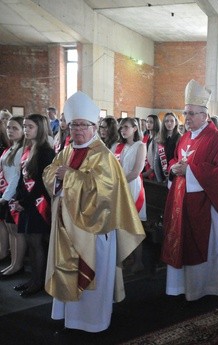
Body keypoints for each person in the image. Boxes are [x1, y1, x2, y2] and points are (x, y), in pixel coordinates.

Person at [42, 91, 145, 333]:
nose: (77, 130)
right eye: (74, 125)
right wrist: (60, 179)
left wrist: (70, 177)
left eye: (83, 125)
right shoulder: (67, 150)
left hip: (94, 229)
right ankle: (70, 317)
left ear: (95, 126)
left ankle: (93, 321)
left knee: (92, 275)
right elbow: (50, 172)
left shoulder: (104, 156)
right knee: (67, 269)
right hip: (66, 226)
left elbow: (106, 192)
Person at [161, 79, 218, 301]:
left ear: (205, 115)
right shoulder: (185, 137)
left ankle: (205, 288)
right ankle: (181, 287)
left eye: (192, 114)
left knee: (202, 245)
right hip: (181, 200)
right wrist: (174, 167)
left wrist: (191, 171)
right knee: (181, 241)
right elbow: (177, 157)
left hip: (206, 204)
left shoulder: (215, 138)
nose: (187, 118)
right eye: (185, 113)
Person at [10, 114, 55, 296]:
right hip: (27, 203)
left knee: (36, 243)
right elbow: (23, 176)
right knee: (29, 242)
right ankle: (32, 279)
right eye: (25, 126)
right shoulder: (29, 148)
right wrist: (18, 197)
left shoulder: (46, 151)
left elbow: (42, 183)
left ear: (40, 129)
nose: (26, 130)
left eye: (30, 127)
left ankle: (39, 282)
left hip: (38, 204)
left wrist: (25, 202)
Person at [0, 116, 26, 278]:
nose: (10, 130)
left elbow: (17, 176)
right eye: (8, 127)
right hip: (6, 192)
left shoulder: (22, 149)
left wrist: (7, 196)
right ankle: (12, 261)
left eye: (14, 128)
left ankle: (18, 264)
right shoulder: (11, 148)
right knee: (10, 229)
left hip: (14, 194)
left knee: (16, 231)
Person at [114, 118, 147, 222]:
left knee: (129, 219)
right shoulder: (119, 146)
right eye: (121, 128)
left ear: (135, 129)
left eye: (126, 127)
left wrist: (119, 183)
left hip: (131, 184)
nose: (123, 130)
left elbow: (136, 172)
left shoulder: (140, 146)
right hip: (119, 183)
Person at [156, 112, 181, 182]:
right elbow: (157, 159)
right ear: (164, 123)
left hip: (174, 173)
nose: (169, 123)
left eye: (172, 121)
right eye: (166, 121)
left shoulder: (180, 138)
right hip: (161, 173)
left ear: (176, 123)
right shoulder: (160, 138)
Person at [142, 114, 161, 181]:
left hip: (153, 170)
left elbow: (156, 159)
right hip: (144, 166)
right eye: (147, 122)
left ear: (156, 123)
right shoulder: (146, 136)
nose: (148, 124)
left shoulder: (158, 138)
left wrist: (148, 172)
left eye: (151, 122)